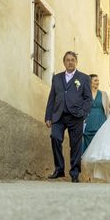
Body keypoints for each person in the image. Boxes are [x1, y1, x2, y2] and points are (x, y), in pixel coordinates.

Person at [44, 51, 93, 183]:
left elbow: (88, 99)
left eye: (72, 60)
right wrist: (48, 116)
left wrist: (83, 112)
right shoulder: (57, 78)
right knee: (55, 137)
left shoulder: (83, 78)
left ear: (76, 62)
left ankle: (75, 173)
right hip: (58, 115)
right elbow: (52, 98)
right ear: (64, 62)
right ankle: (59, 169)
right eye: (67, 60)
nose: (70, 62)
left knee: (75, 145)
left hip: (76, 116)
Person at [83, 74, 110, 152]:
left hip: (101, 121)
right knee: (87, 147)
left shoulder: (104, 94)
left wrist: (108, 122)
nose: (98, 82)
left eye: (98, 80)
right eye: (95, 80)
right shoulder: (85, 94)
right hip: (89, 122)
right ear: (90, 82)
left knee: (100, 144)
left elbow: (107, 109)